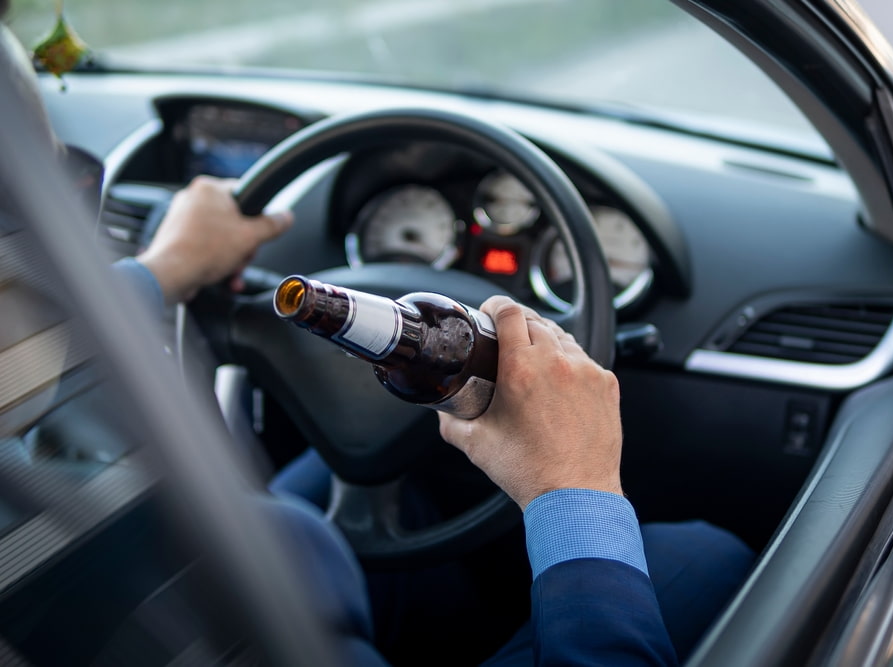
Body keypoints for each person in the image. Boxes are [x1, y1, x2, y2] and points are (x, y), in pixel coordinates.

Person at [0, 14, 753, 662]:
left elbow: (21, 345)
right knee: (701, 555)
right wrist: (575, 487)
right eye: (52, 177)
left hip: (228, 584)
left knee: (400, 499)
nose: (76, 199)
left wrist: (164, 268)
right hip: (261, 626)